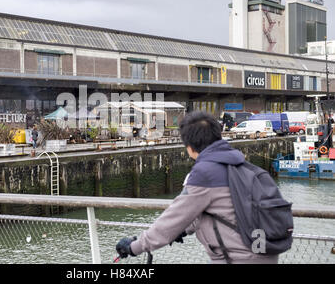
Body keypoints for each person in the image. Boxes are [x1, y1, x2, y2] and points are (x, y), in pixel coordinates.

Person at [116, 111, 279, 264]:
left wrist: (133, 247)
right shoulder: (244, 167)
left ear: (189, 147)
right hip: (265, 255)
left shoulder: (205, 174)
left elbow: (172, 220)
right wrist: (183, 229)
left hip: (237, 259)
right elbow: (218, 211)